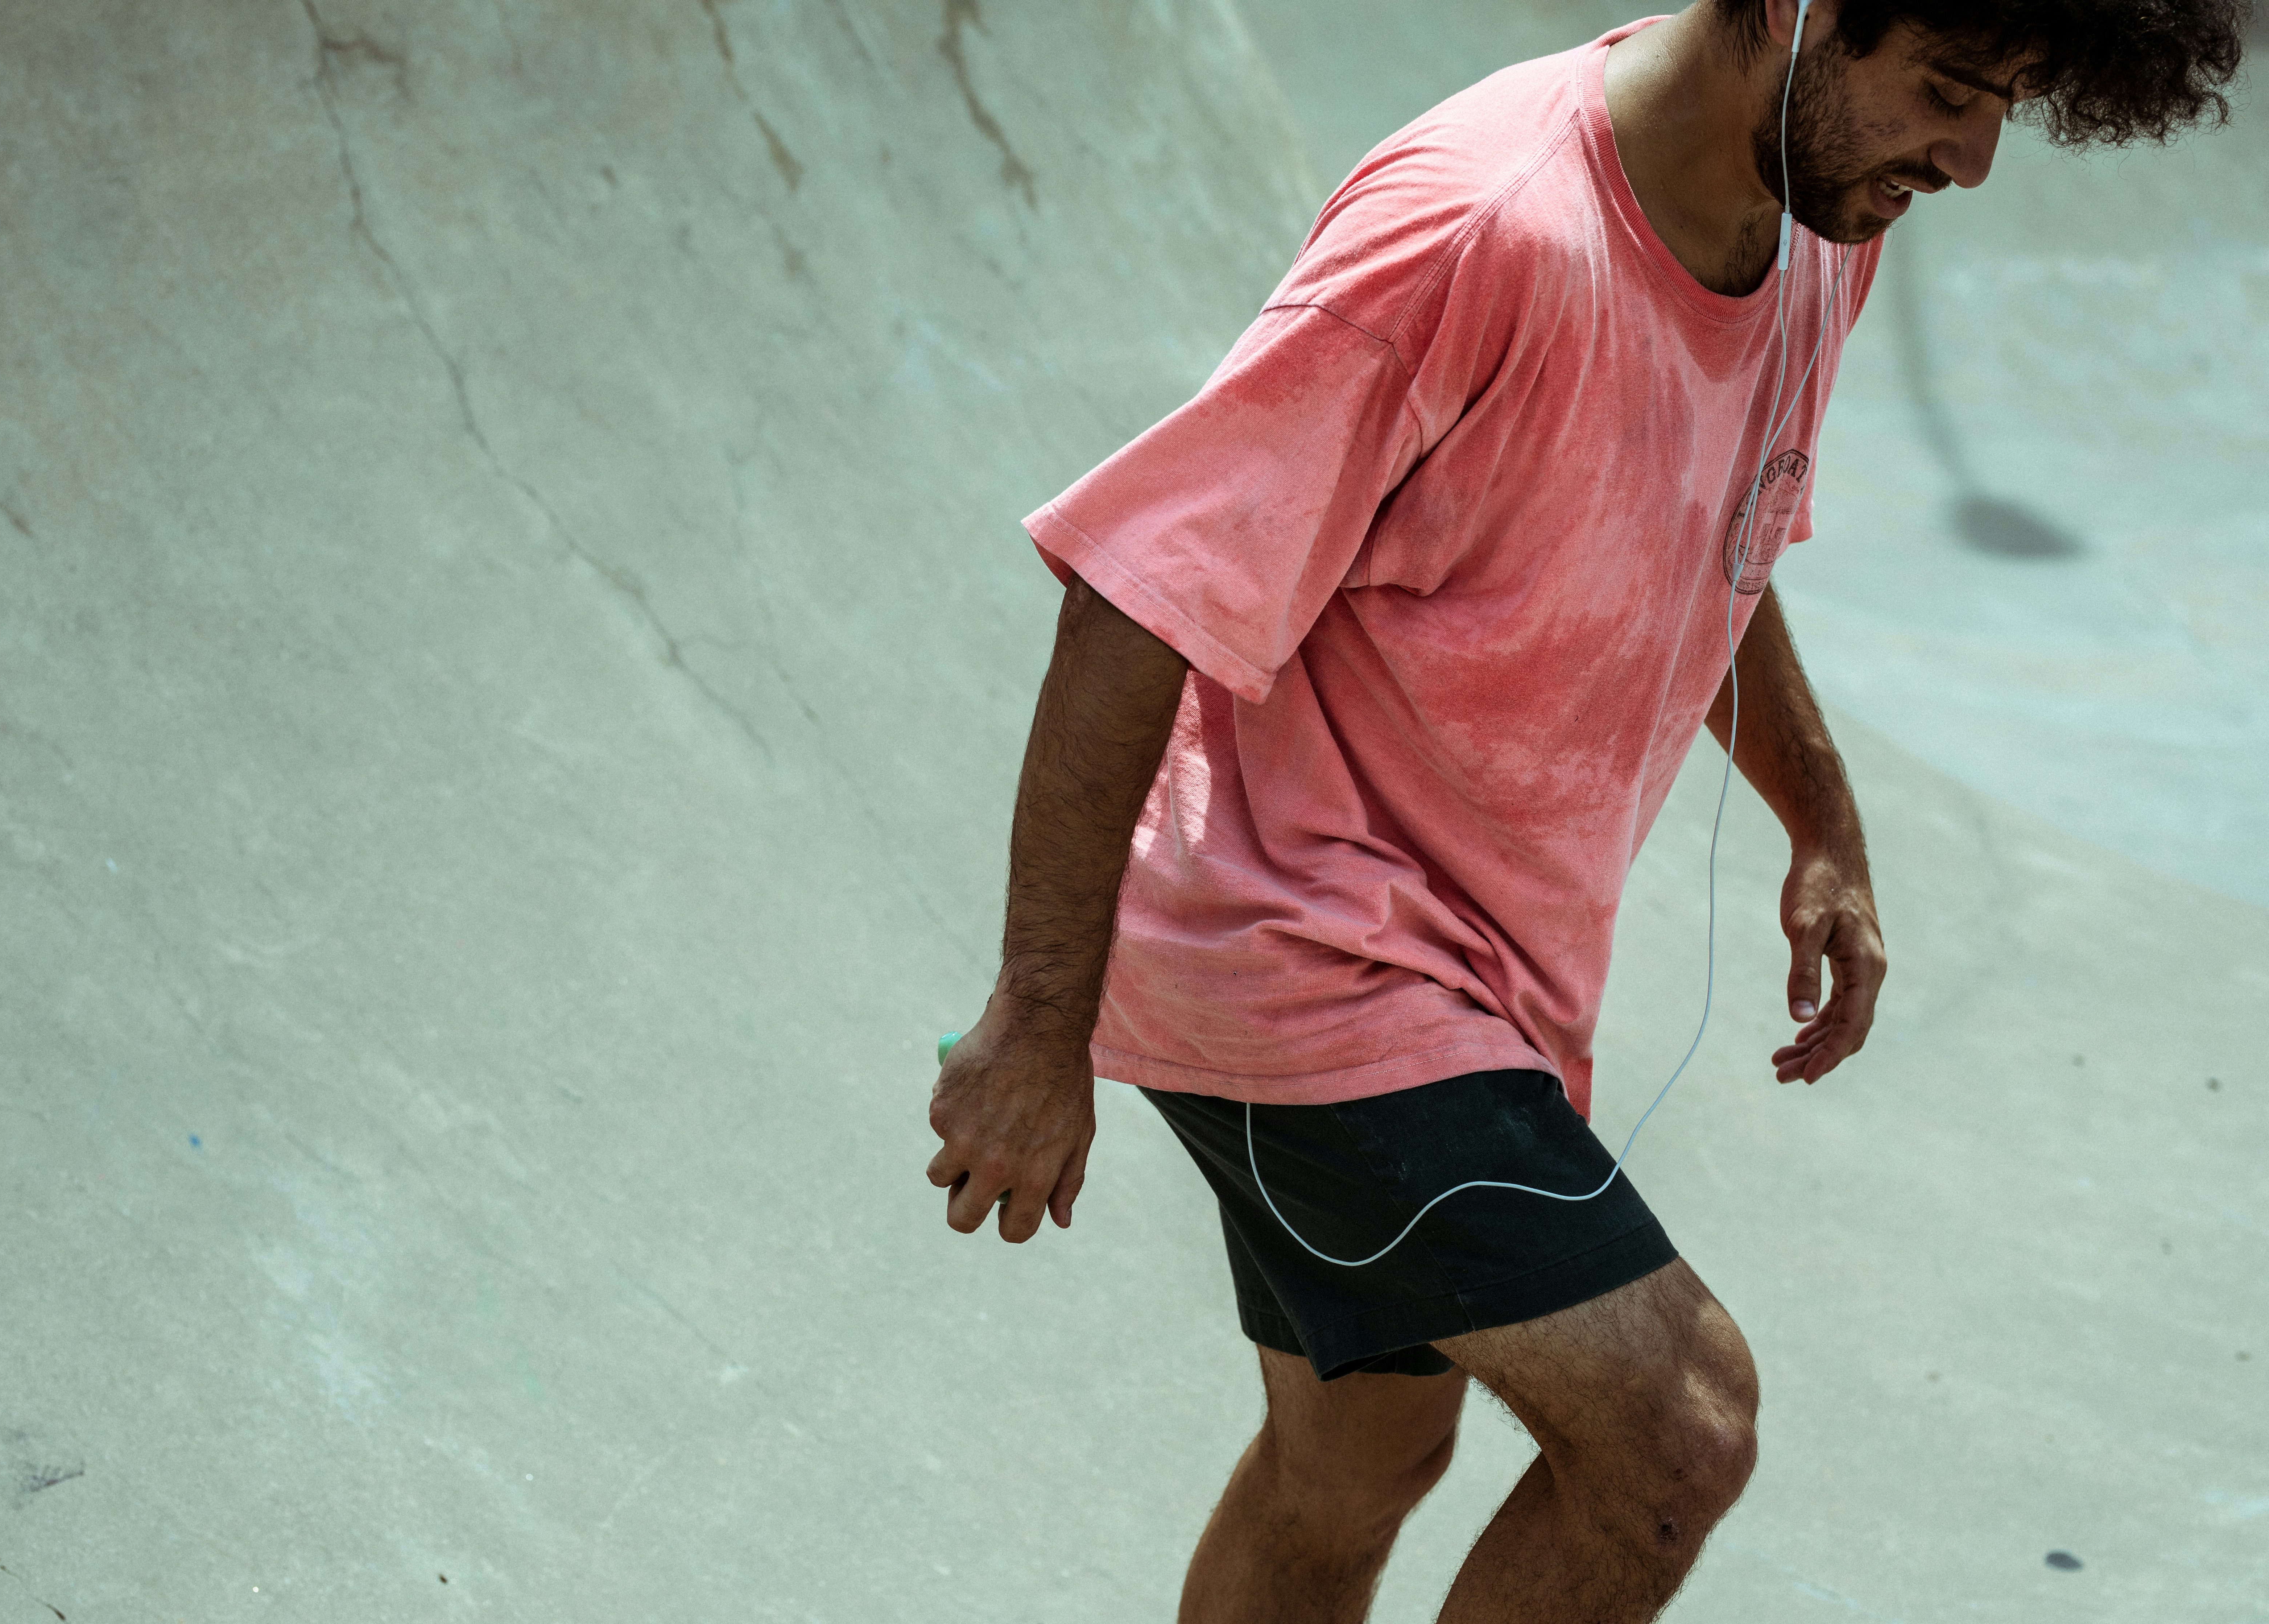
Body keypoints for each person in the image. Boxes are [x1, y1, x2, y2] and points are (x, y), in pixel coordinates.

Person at [925, 1, 2247, 1617]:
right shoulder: (1478, 231)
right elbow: (1137, 591)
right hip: (1308, 955)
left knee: (1355, 1463)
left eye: (2007, 108)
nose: (1970, 162)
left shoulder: (1820, 217)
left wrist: (1821, 815)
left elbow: (1711, 520)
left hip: (1476, 980)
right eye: (1952, 94)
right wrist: (1035, 1019)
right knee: (1680, 1426)